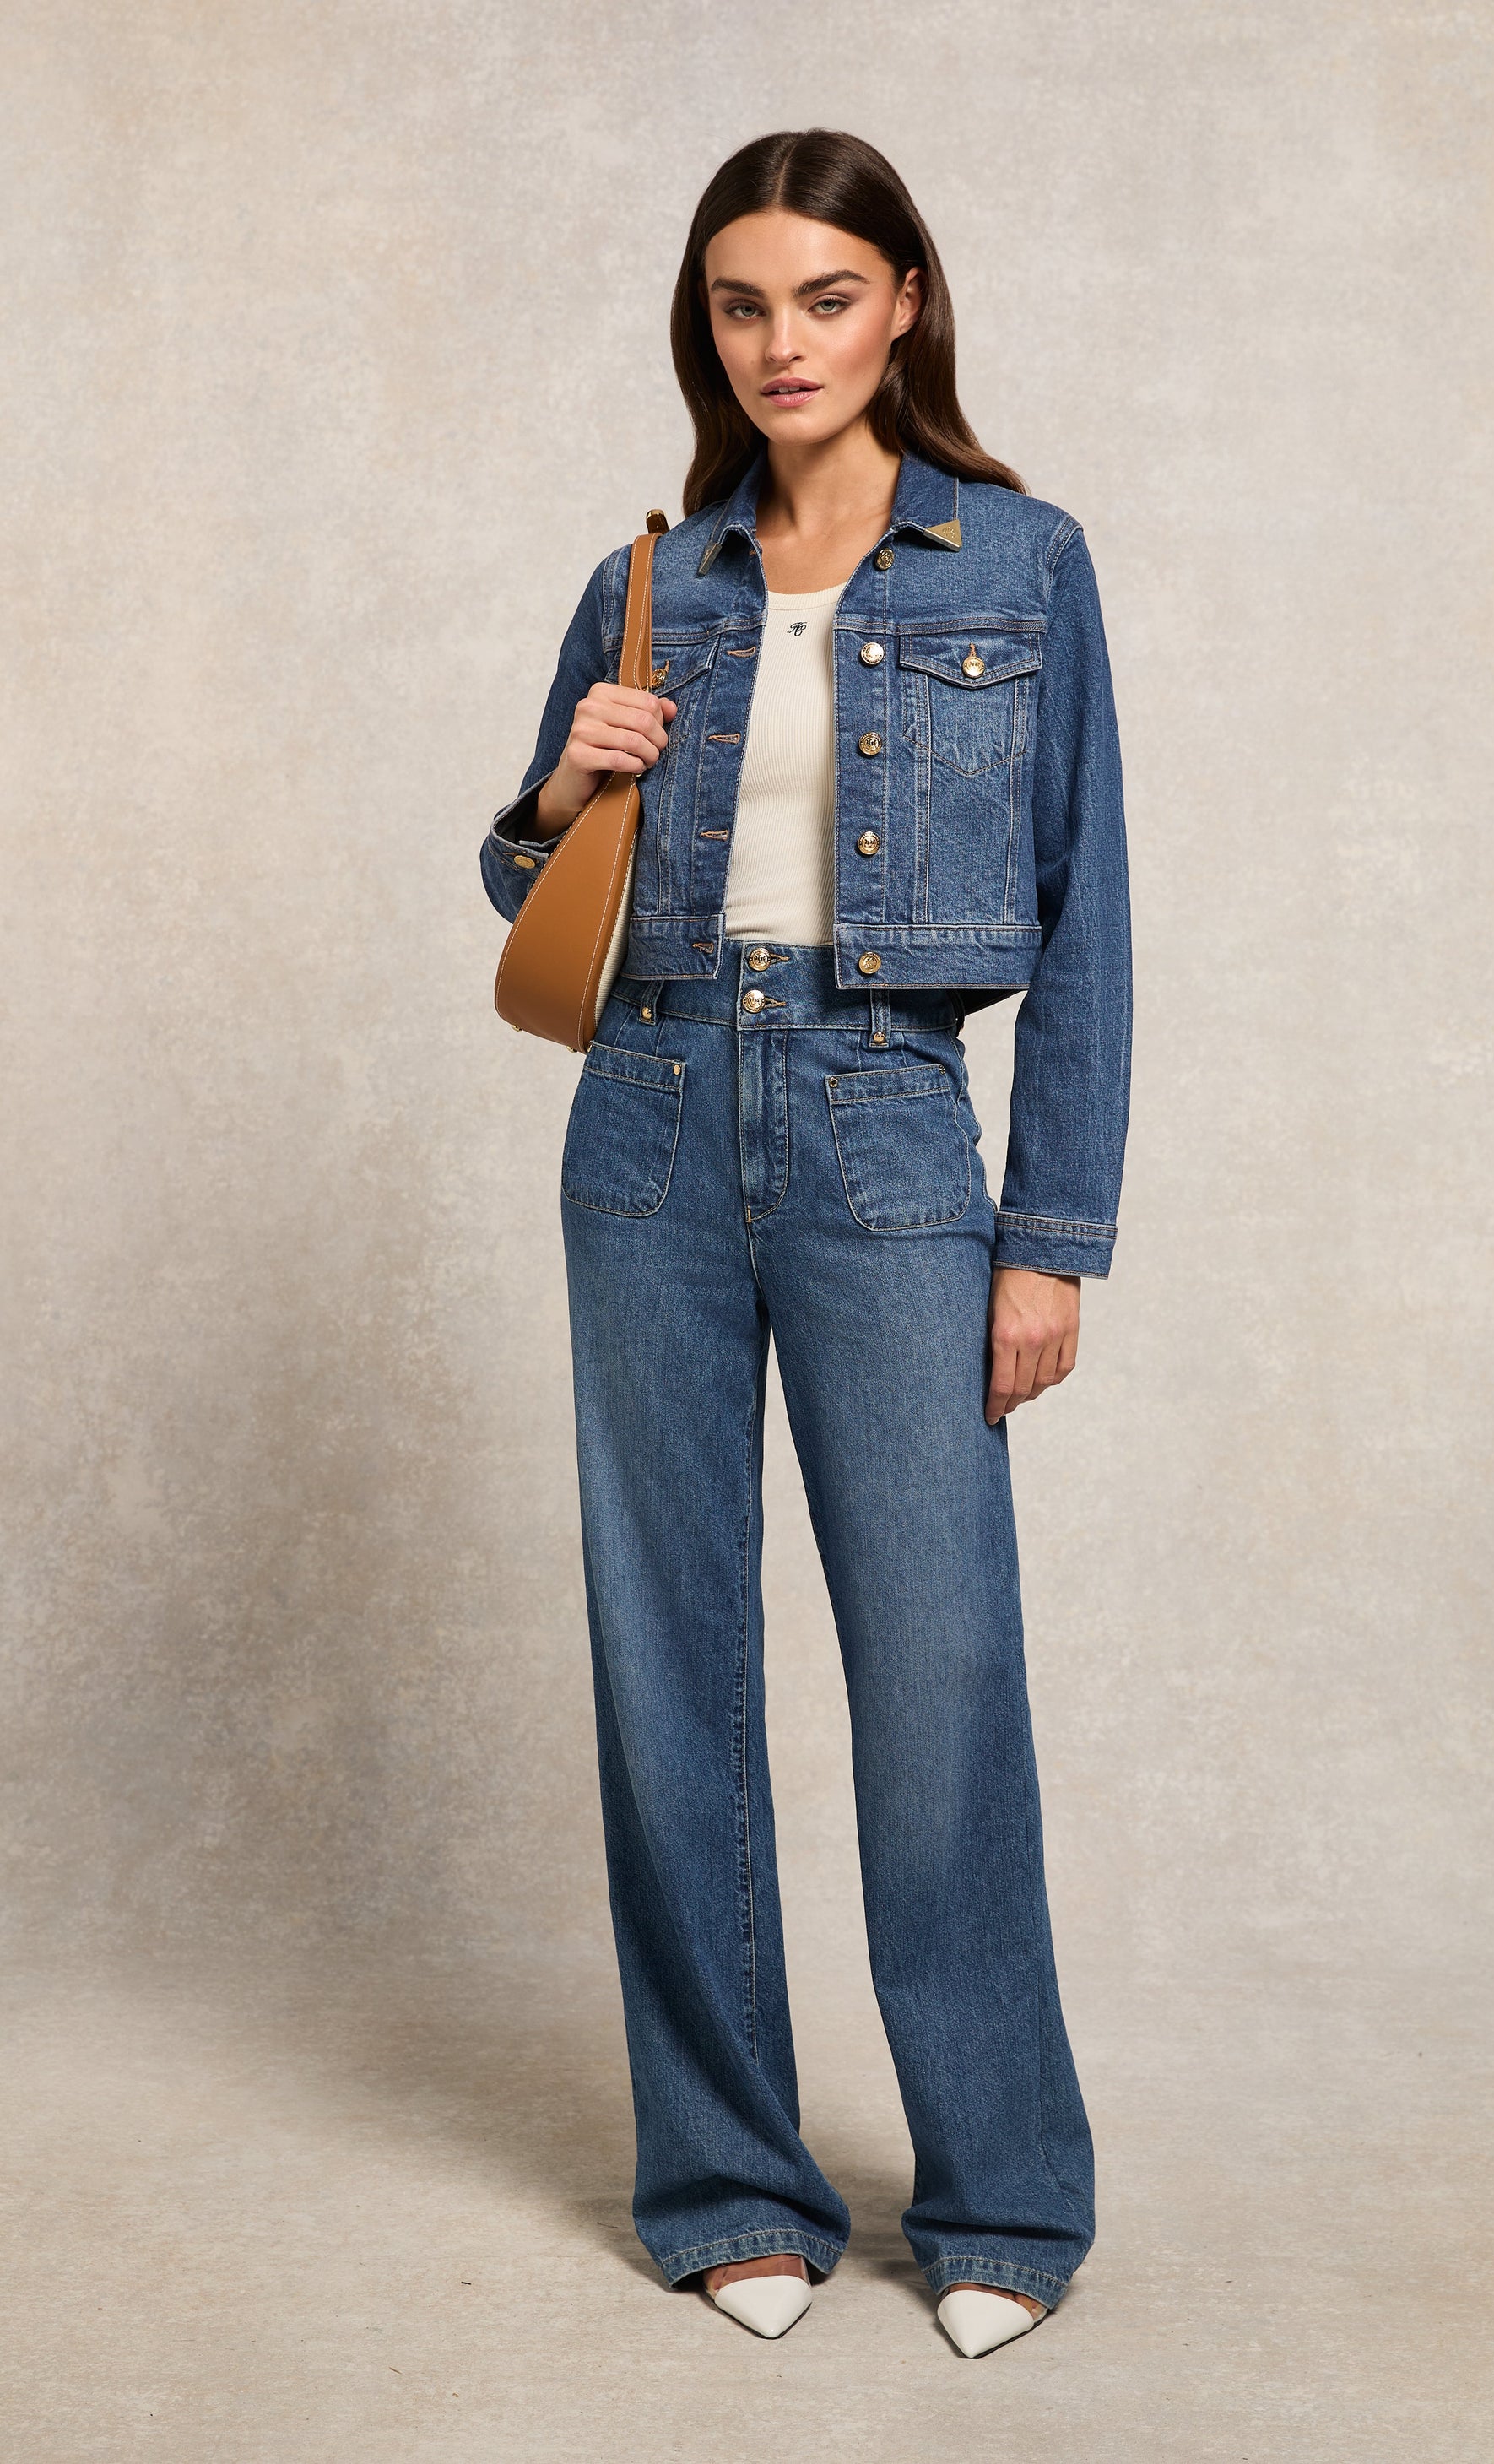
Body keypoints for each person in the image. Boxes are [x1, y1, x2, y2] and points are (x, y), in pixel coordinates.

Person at [480, 127, 1131, 2359]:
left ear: (903, 304)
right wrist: (564, 784)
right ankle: (727, 2180)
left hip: (884, 1136)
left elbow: (1086, 917)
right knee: (672, 1672)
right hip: (649, 1129)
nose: (783, 343)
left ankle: (1002, 2199)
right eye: (743, 304)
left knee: (938, 1676)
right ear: (710, 326)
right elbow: (527, 891)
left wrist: (1047, 1238)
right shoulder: (651, 575)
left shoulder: (1018, 562)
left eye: (826, 298)